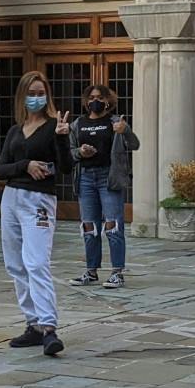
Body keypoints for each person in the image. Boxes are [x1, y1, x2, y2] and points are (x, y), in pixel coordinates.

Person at [0, 71, 74, 356]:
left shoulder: (54, 127)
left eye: (41, 93)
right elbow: (1, 169)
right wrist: (25, 165)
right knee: (15, 264)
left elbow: (66, 167)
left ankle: (49, 327)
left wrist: (63, 139)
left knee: (36, 262)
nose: (36, 98)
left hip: (38, 199)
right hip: (11, 198)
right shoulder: (15, 131)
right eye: (31, 93)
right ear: (22, 96)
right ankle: (33, 324)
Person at [70, 82, 138, 289]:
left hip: (108, 178)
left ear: (108, 100)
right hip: (85, 178)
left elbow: (134, 144)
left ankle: (117, 272)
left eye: (100, 98)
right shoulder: (78, 124)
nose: (95, 101)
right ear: (86, 102)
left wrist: (125, 131)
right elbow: (69, 151)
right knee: (89, 226)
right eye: (91, 98)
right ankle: (91, 271)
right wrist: (81, 152)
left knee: (113, 225)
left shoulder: (115, 122)